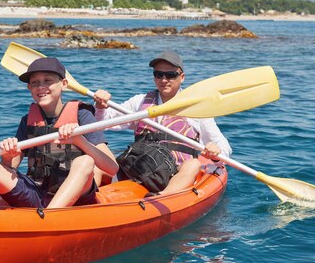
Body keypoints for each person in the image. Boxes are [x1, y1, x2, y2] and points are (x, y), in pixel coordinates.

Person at [0, 57, 118, 209]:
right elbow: (10, 167)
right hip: (37, 192)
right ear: (29, 88)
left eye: (48, 81)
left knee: (85, 161)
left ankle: (51, 216)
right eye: (35, 83)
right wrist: (7, 156)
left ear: (64, 84)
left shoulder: (82, 115)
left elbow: (112, 168)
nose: (41, 87)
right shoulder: (28, 120)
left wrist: (79, 141)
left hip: (76, 196)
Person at [93, 51, 231, 195]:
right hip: (139, 165)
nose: (163, 80)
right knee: (94, 163)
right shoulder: (140, 102)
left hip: (173, 173)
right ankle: (86, 202)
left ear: (182, 77)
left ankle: (162, 197)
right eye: (158, 74)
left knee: (193, 164)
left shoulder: (196, 110)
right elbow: (104, 122)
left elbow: (223, 146)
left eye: (170, 75)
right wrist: (101, 106)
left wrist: (215, 151)